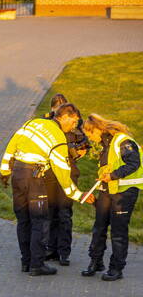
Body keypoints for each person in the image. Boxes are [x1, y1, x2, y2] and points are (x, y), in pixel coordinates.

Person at [0, 103, 93, 276]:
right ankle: (37, 264)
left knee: (23, 220)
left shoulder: (33, 123)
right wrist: (80, 195)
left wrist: (4, 172)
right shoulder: (58, 137)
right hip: (34, 178)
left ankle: (26, 262)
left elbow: (12, 145)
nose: (74, 127)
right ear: (64, 117)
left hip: (17, 175)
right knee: (39, 221)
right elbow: (63, 174)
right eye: (73, 122)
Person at [81, 114, 141, 281]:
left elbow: (134, 164)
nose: (91, 139)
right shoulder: (105, 145)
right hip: (107, 189)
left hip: (125, 192)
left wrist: (113, 175)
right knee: (99, 226)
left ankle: (116, 268)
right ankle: (96, 261)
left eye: (90, 134)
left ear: (97, 129)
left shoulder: (123, 141)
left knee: (118, 231)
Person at [43, 94, 88, 266]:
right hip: (50, 173)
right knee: (50, 212)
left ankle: (63, 252)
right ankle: (50, 248)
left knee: (64, 213)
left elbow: (84, 144)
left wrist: (78, 151)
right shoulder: (47, 124)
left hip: (69, 173)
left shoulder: (76, 126)